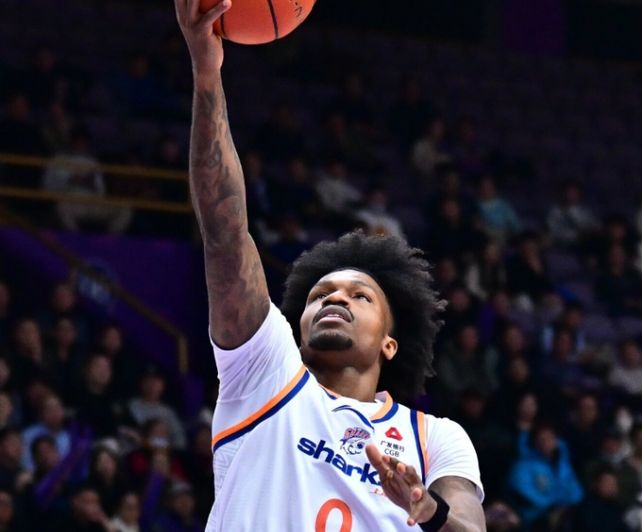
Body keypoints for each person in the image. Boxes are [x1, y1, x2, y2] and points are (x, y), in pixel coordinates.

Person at [174, 2, 486, 530]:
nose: (334, 298)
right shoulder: (265, 372)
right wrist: (207, 73)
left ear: (390, 343)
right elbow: (225, 232)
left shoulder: (435, 437)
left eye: (360, 296)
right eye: (320, 295)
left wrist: (426, 508)